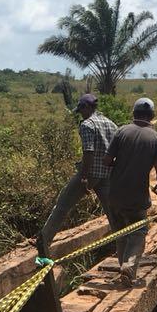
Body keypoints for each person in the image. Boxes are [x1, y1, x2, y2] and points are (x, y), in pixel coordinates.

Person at [36, 92, 117, 257]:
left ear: (87, 107)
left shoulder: (87, 124)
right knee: (112, 211)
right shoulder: (111, 124)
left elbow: (88, 153)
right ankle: (122, 243)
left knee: (63, 205)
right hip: (107, 174)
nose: (81, 113)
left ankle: (43, 242)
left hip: (90, 173)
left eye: (81, 110)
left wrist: (84, 177)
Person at [102, 97, 157, 284]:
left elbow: (107, 161)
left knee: (121, 233)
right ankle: (129, 266)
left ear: (133, 114)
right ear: (152, 116)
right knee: (138, 231)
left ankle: (124, 271)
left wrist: (121, 164)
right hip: (137, 197)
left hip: (114, 194)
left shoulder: (121, 132)